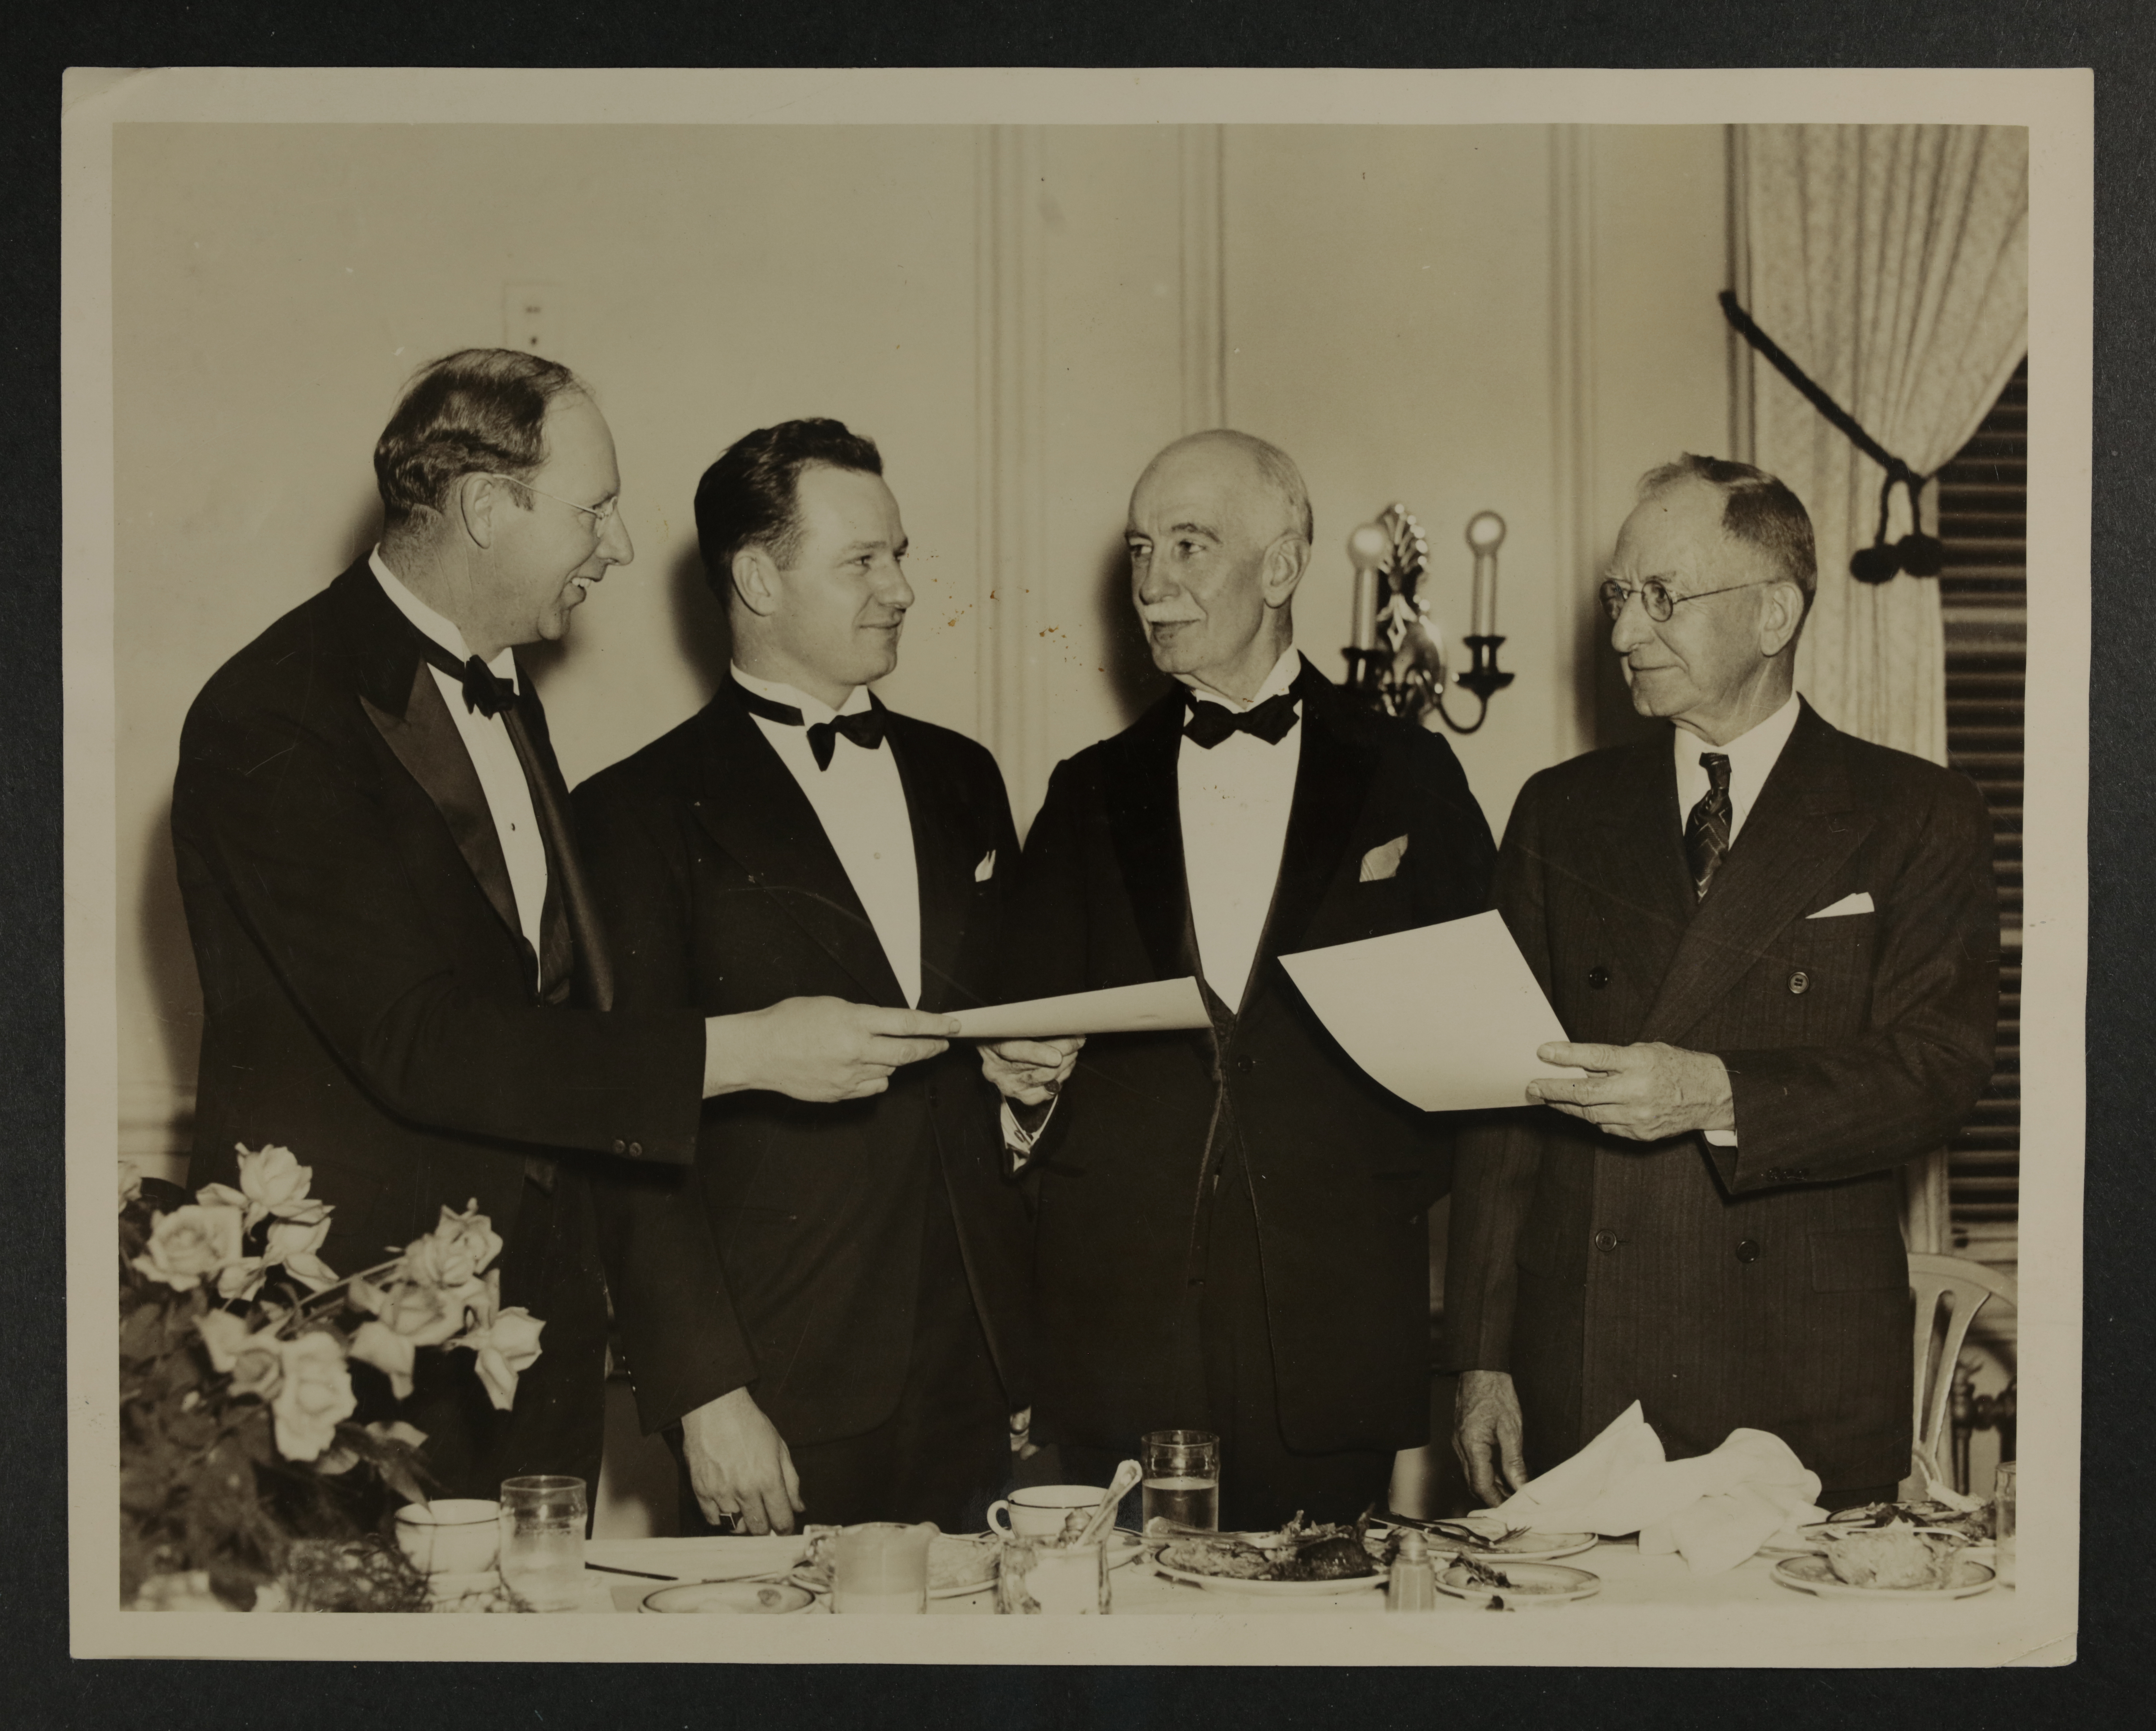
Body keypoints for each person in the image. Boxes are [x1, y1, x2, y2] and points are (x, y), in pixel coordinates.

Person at [173, 354, 956, 1500]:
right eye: (592, 511)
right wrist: (740, 1050)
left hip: (528, 1336)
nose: (622, 547)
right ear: (488, 509)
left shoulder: (501, 686)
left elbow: (547, 1004)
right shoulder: (273, 710)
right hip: (348, 1354)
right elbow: (418, 1038)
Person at [1444, 454, 1998, 1513]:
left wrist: (1720, 1094)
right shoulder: (1559, 811)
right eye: (1618, 597)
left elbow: (1941, 1069)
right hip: (1584, 1374)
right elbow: (1499, 1113)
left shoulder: (1918, 811)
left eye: (1663, 599)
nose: (1622, 635)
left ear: (1775, 613)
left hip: (1797, 1368)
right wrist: (1480, 1359)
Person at [984, 430, 1497, 1530]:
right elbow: (1020, 1061)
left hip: (1330, 1330)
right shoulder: (1085, 794)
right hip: (1118, 1330)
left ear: (1280, 566)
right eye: (1138, 550)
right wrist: (1023, 1094)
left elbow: (1489, 1043)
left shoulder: (1411, 774)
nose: (1153, 587)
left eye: (1188, 546)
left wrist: (1359, 1190)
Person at [573, 418, 1035, 1536]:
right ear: (757, 578)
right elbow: (625, 1131)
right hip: (777, 1386)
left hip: (984, 1375)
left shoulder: (965, 777)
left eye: (901, 555)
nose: (903, 591)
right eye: (863, 562)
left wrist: (1033, 1087)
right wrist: (702, 1394)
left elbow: (1009, 1049)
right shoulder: (631, 815)